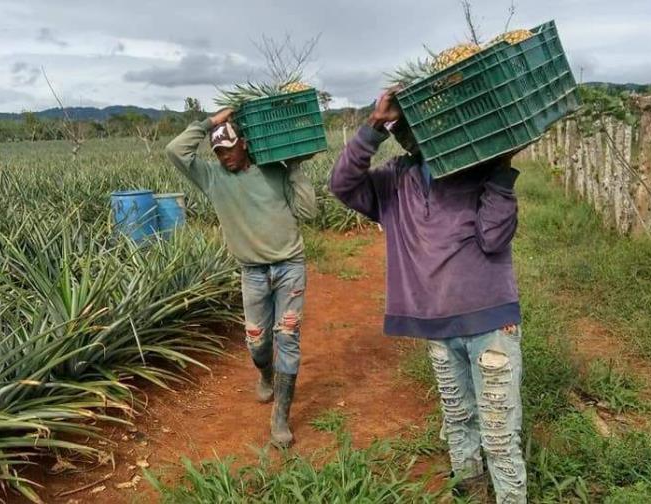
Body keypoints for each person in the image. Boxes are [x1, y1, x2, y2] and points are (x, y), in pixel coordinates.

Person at [329, 89, 526, 503]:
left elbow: (493, 240)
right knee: (458, 421)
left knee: (499, 436)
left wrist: (502, 170)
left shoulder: (477, 168)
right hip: (438, 328)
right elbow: (342, 184)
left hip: (491, 325)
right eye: (403, 126)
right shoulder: (395, 180)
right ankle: (471, 495)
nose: (411, 134)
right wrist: (373, 125)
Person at [165, 108, 318, 448]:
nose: (224, 157)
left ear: (245, 144)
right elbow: (175, 150)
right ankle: (265, 373)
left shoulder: (274, 171)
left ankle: (280, 416)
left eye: (229, 149)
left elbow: (309, 211)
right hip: (252, 271)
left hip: (289, 265)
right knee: (257, 341)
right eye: (218, 152)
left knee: (288, 337)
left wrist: (294, 168)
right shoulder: (212, 177)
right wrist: (210, 123)